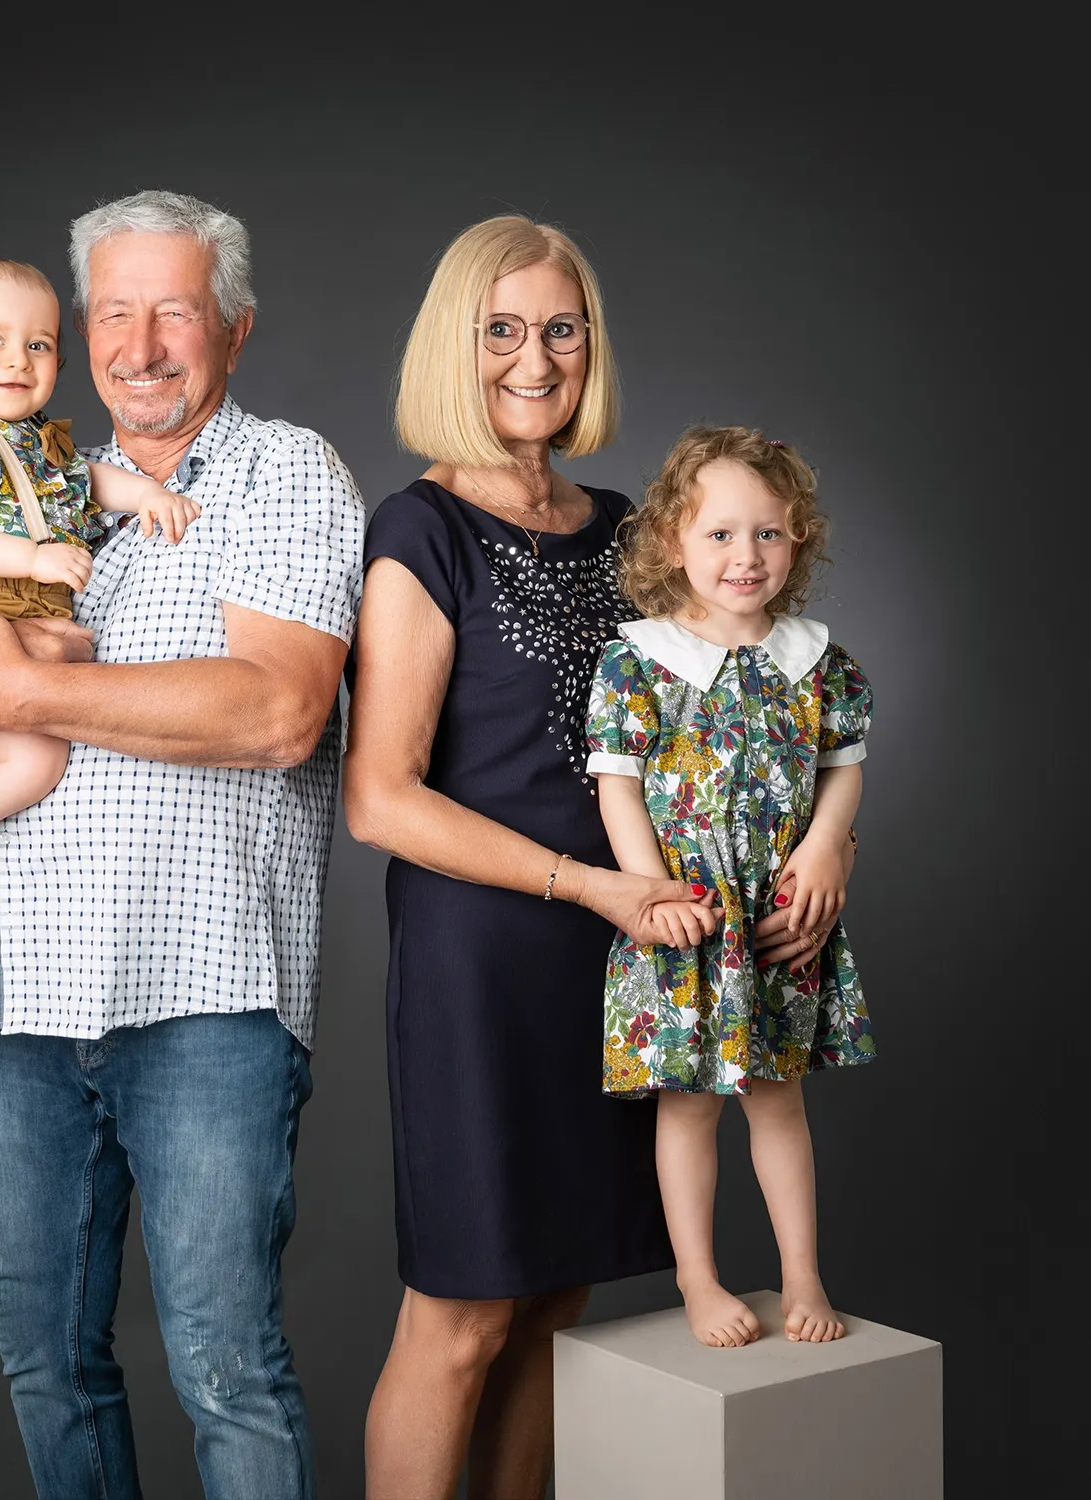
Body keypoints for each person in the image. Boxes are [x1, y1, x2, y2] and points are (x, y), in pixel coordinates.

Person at [0, 190, 365, 1500]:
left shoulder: (283, 472)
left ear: (234, 331)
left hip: (204, 1000)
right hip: (25, 992)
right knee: (43, 1357)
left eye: (175, 312)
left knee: (224, 1365)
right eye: (114, 314)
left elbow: (279, 710)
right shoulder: (26, 471)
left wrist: (11, 694)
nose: (140, 345)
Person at [343, 214, 739, 1500]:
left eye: (560, 328)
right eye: (501, 329)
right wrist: (589, 885)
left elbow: (702, 733)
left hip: (622, 956)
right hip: (485, 962)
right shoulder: (420, 531)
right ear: (456, 349)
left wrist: (783, 866)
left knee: (556, 1302)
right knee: (460, 1318)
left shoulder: (629, 529)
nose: (534, 357)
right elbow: (381, 800)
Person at [585, 425, 875, 1349]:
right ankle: (699, 1280)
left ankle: (802, 1275)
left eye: (768, 534)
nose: (745, 556)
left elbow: (842, 767)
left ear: (797, 541)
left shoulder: (816, 661)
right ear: (674, 542)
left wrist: (829, 845)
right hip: (688, 917)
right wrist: (650, 893)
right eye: (719, 534)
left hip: (780, 919)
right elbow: (616, 782)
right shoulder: (641, 658)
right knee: (692, 1103)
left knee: (780, 1099)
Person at [0, 256, 196, 928]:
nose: (17, 360)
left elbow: (88, 479)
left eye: (39, 344)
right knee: (33, 760)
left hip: (22, 605)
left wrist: (145, 491)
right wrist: (31, 558)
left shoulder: (40, 441)